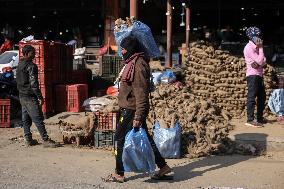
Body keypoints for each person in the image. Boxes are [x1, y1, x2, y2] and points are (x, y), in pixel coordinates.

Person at [103, 35, 172, 183]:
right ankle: (163, 166)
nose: (122, 52)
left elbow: (141, 95)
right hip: (130, 108)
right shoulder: (132, 62)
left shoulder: (138, 66)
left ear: (131, 49)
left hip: (132, 110)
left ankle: (119, 173)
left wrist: (138, 117)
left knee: (119, 140)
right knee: (145, 137)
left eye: (124, 49)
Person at [16, 45, 59, 147]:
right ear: (27, 53)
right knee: (38, 118)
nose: (35, 54)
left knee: (25, 118)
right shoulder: (31, 66)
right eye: (32, 52)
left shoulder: (20, 64)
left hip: (22, 95)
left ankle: (28, 139)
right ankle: (46, 140)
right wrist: (40, 97)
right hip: (30, 96)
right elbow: (34, 83)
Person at [243, 27, 267, 128]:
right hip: (253, 75)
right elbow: (258, 63)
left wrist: (260, 62)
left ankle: (259, 118)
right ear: (251, 37)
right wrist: (261, 49)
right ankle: (250, 119)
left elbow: (264, 62)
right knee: (252, 97)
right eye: (257, 36)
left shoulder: (257, 47)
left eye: (259, 35)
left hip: (259, 75)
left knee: (262, 97)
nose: (259, 38)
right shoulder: (248, 48)